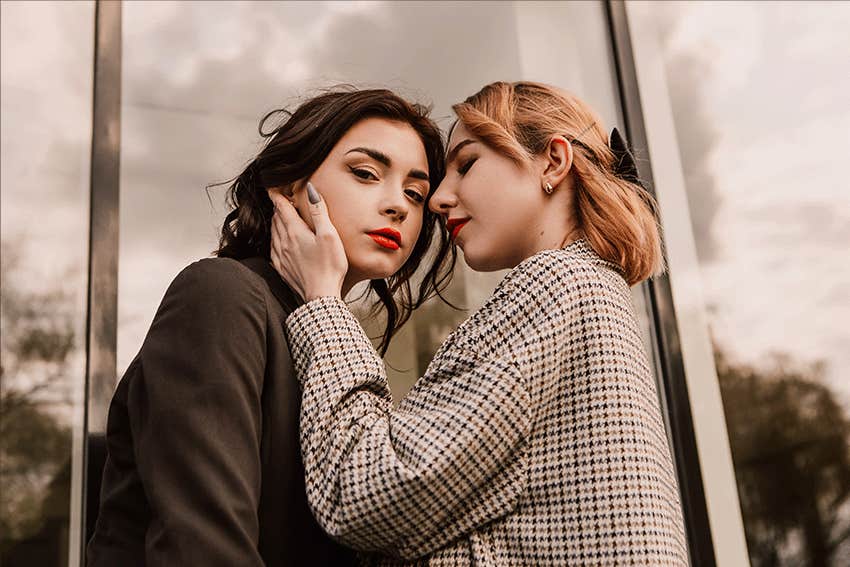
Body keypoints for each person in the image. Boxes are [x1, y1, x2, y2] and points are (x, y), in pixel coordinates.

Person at [267, 81, 689, 565]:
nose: (438, 199)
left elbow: (363, 492)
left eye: (466, 164)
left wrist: (323, 303)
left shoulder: (557, 284)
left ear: (553, 163)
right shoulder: (595, 292)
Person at [86, 87, 454, 566]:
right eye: (366, 173)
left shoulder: (330, 341)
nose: (399, 206)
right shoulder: (221, 295)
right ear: (287, 186)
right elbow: (204, 545)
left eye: (415, 193)